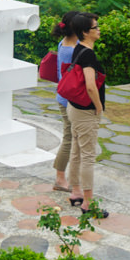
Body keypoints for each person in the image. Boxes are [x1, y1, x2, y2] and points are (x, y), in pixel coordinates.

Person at [66, 12, 108, 218]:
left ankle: (76, 192)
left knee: (76, 151)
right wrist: (99, 107)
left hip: (73, 108)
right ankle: (88, 202)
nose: (99, 30)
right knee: (88, 156)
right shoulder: (88, 54)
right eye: (96, 27)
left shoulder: (78, 49)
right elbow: (91, 86)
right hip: (85, 112)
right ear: (85, 32)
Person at [51, 11, 80, 193]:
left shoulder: (63, 43)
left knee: (70, 137)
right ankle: (60, 179)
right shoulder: (74, 49)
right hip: (70, 98)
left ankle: (64, 176)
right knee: (69, 138)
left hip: (63, 96)